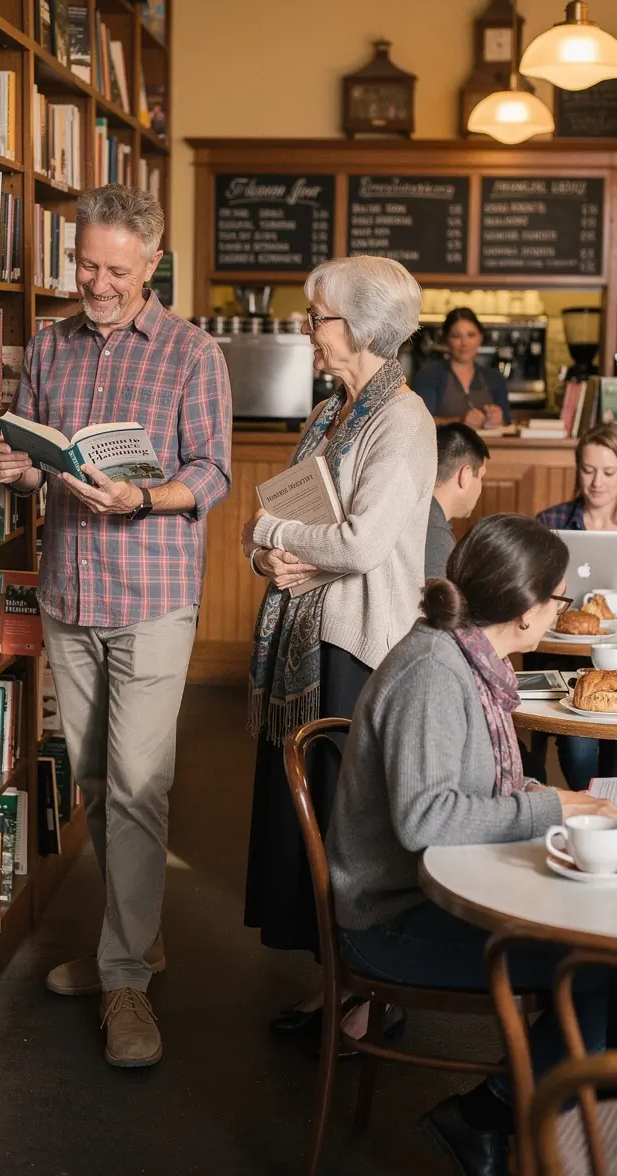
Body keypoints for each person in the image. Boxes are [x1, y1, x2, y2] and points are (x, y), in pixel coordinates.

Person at [0, 185, 232, 1069]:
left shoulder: (193, 353)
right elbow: (36, 466)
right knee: (92, 777)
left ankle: (124, 978)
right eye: (86, 265)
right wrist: (13, 467)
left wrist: (141, 498)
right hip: (69, 592)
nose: (97, 283)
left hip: (153, 592)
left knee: (137, 785)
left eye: (116, 271)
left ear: (151, 264)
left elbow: (211, 472)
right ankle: (135, 941)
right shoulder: (50, 345)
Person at [327, 514, 616, 1176]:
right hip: (390, 919)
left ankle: (547, 1122)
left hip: (433, 890)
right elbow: (426, 821)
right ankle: (494, 1121)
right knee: (600, 967)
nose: (561, 610)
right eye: (559, 598)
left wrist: (557, 799)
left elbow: (478, 784)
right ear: (524, 610)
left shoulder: (464, 658)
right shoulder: (433, 674)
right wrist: (552, 806)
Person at [241, 254, 436, 1035]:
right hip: (305, 637)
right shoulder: (330, 412)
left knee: (352, 833)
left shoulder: (403, 420)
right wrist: (268, 555)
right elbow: (280, 524)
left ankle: (374, 994)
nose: (307, 328)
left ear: (356, 327)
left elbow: (358, 543)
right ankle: (338, 983)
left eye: (316, 316)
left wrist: (272, 533)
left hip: (357, 648)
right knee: (311, 826)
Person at [534, 422, 617, 789]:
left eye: (609, 472)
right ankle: (593, 803)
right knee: (578, 750)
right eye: (588, 470)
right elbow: (531, 596)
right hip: (565, 660)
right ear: (577, 469)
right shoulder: (550, 523)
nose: (597, 482)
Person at [414, 307, 511, 429]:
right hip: (444, 442)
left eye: (471, 335)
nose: (464, 343)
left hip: (488, 442)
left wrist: (498, 420)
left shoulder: (495, 378)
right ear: (446, 340)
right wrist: (460, 420)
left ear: (480, 338)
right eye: (456, 336)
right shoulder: (429, 375)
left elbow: (507, 423)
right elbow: (420, 422)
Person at [425, 422, 490, 579]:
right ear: (465, 475)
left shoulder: (421, 511)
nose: (480, 487)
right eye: (481, 478)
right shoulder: (436, 535)